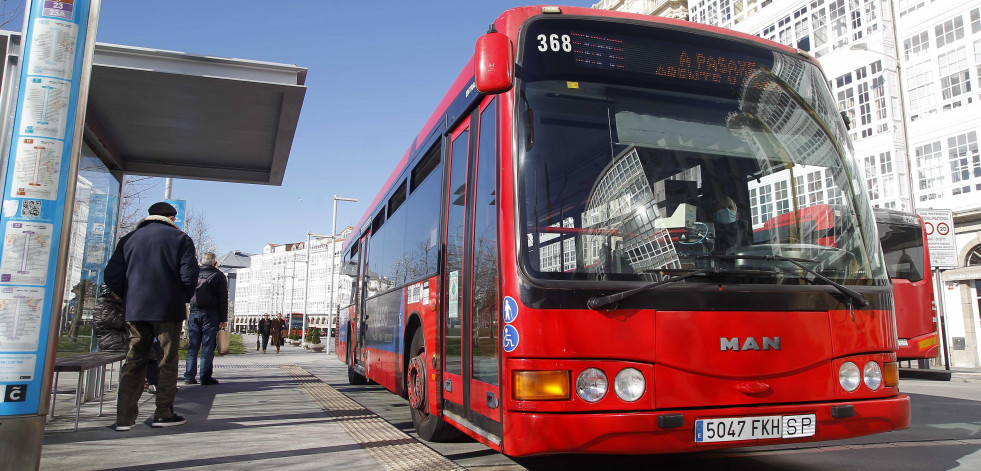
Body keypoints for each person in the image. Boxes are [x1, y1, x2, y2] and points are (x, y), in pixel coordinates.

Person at [105, 202, 199, 431]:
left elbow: (112, 274)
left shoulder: (128, 239)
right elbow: (189, 275)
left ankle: (124, 418)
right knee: (167, 360)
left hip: (136, 309)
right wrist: (181, 296)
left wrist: (129, 295)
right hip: (168, 309)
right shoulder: (181, 239)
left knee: (134, 359)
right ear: (171, 217)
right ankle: (163, 413)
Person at [184, 252, 229, 385]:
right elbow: (223, 299)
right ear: (215, 263)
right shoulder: (219, 276)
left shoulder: (194, 273)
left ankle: (189, 376)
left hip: (194, 311)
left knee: (193, 346)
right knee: (208, 346)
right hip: (211, 314)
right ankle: (205, 376)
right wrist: (223, 319)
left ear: (202, 262)